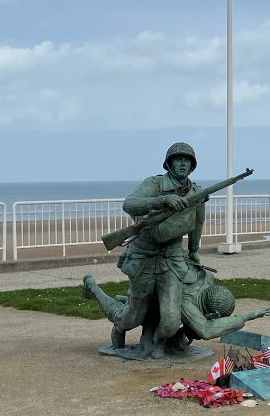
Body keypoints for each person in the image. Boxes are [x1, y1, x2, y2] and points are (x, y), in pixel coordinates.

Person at [86, 142, 206, 358]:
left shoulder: (196, 192)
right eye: (178, 159)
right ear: (169, 164)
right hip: (144, 257)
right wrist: (163, 200)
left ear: (192, 165)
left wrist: (194, 251)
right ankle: (96, 292)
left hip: (172, 259)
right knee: (131, 318)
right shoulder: (154, 184)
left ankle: (158, 344)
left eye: (187, 160)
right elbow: (129, 204)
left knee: (171, 320)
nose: (182, 164)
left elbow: (197, 223)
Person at [82, 265, 270, 357]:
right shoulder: (189, 304)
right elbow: (207, 329)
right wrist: (248, 316)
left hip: (159, 299)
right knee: (122, 319)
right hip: (148, 300)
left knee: (172, 332)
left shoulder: (207, 278)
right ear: (213, 314)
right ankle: (93, 288)